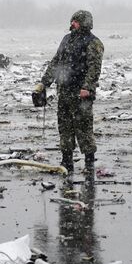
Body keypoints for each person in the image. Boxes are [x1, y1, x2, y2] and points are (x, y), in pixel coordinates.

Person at [34, 10, 104, 173]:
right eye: (72, 20)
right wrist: (44, 82)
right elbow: (56, 62)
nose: (72, 23)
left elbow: (94, 68)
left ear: (84, 22)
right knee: (64, 127)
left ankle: (89, 163)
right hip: (64, 91)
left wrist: (87, 87)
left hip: (81, 93)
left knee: (83, 128)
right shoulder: (67, 39)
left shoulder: (93, 43)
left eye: (76, 21)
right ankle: (66, 161)